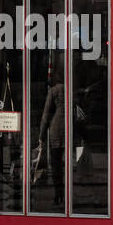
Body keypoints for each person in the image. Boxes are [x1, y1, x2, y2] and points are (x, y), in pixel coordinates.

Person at [38, 77, 66, 205]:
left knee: (56, 164)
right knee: (67, 164)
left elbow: (46, 114)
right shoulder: (70, 90)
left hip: (56, 130)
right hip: (70, 130)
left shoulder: (53, 91)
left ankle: (58, 194)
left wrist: (41, 136)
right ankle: (65, 193)